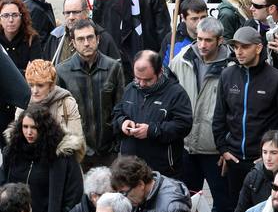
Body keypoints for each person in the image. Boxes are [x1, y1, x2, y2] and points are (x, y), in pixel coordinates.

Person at [213, 26, 278, 212]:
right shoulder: (227, 76)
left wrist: (277, 157)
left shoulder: (277, 80)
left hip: (264, 163)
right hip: (234, 160)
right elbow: (219, 116)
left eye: (244, 47)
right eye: (235, 47)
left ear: (258, 48)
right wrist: (223, 149)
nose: (239, 52)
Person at [172, 16, 237, 212]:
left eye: (208, 40)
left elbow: (236, 112)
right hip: (187, 147)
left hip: (215, 151)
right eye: (199, 39)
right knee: (185, 206)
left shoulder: (232, 66)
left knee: (226, 207)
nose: (202, 45)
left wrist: (227, 145)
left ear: (220, 40)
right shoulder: (181, 60)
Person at [0, 104, 82, 212]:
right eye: (25, 127)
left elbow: (73, 193)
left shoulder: (61, 156)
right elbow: (2, 182)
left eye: (34, 127)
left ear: (44, 129)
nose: (29, 132)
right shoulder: (13, 151)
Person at [111, 51, 192, 177]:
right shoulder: (130, 89)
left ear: (159, 72)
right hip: (130, 169)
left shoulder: (176, 93)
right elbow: (117, 112)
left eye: (148, 80)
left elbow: (183, 125)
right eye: (138, 78)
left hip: (162, 170)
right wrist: (123, 122)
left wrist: (152, 130)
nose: (142, 84)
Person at [55, 17, 124, 166]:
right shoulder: (62, 71)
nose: (86, 43)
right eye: (80, 39)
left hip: (108, 152)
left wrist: (117, 146)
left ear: (98, 39)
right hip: (77, 152)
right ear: (73, 43)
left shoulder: (113, 67)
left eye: (90, 37)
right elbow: (58, 116)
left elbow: (120, 108)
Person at [9, 59, 84, 161]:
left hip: (61, 163)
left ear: (51, 85)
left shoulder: (66, 102)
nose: (35, 90)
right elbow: (16, 140)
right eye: (31, 85)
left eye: (40, 85)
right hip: (32, 164)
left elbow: (76, 140)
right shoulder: (23, 103)